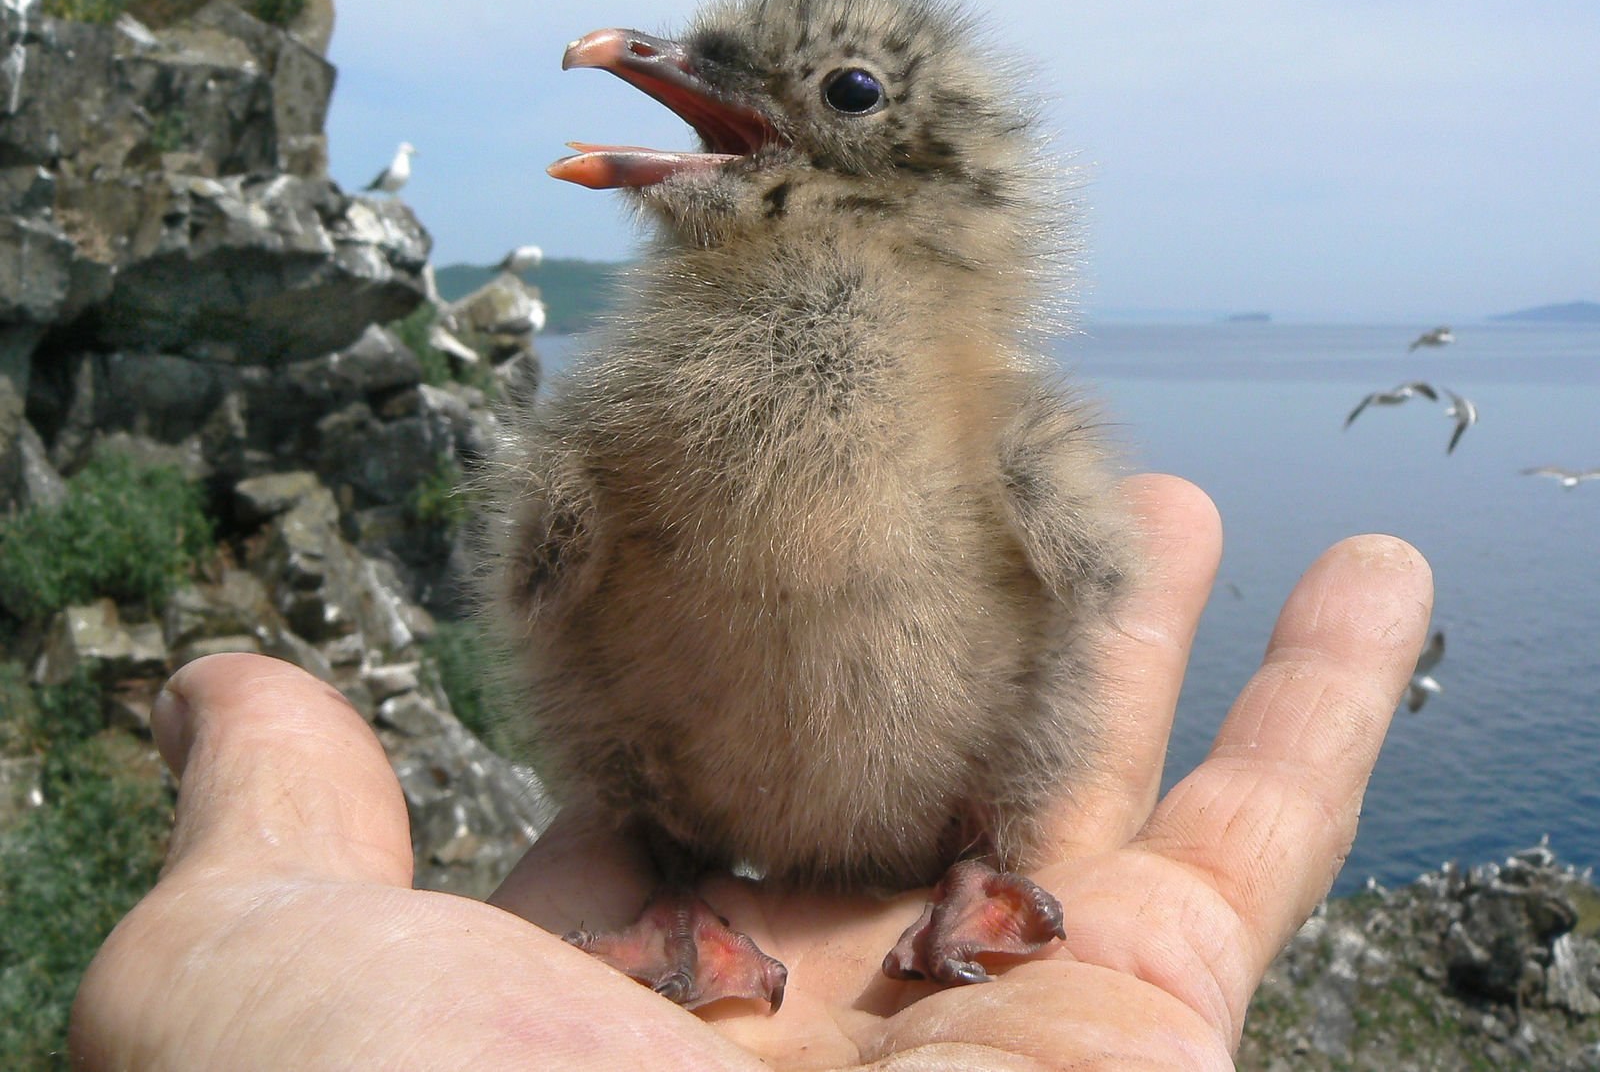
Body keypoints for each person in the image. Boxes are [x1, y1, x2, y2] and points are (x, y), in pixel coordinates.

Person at [69, 475, 1432, 1069]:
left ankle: (971, 861)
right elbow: (552, 586)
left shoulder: (968, 423)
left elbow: (1073, 586)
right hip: (690, 786)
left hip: (939, 785)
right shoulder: (639, 425)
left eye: (838, 97)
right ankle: (677, 879)